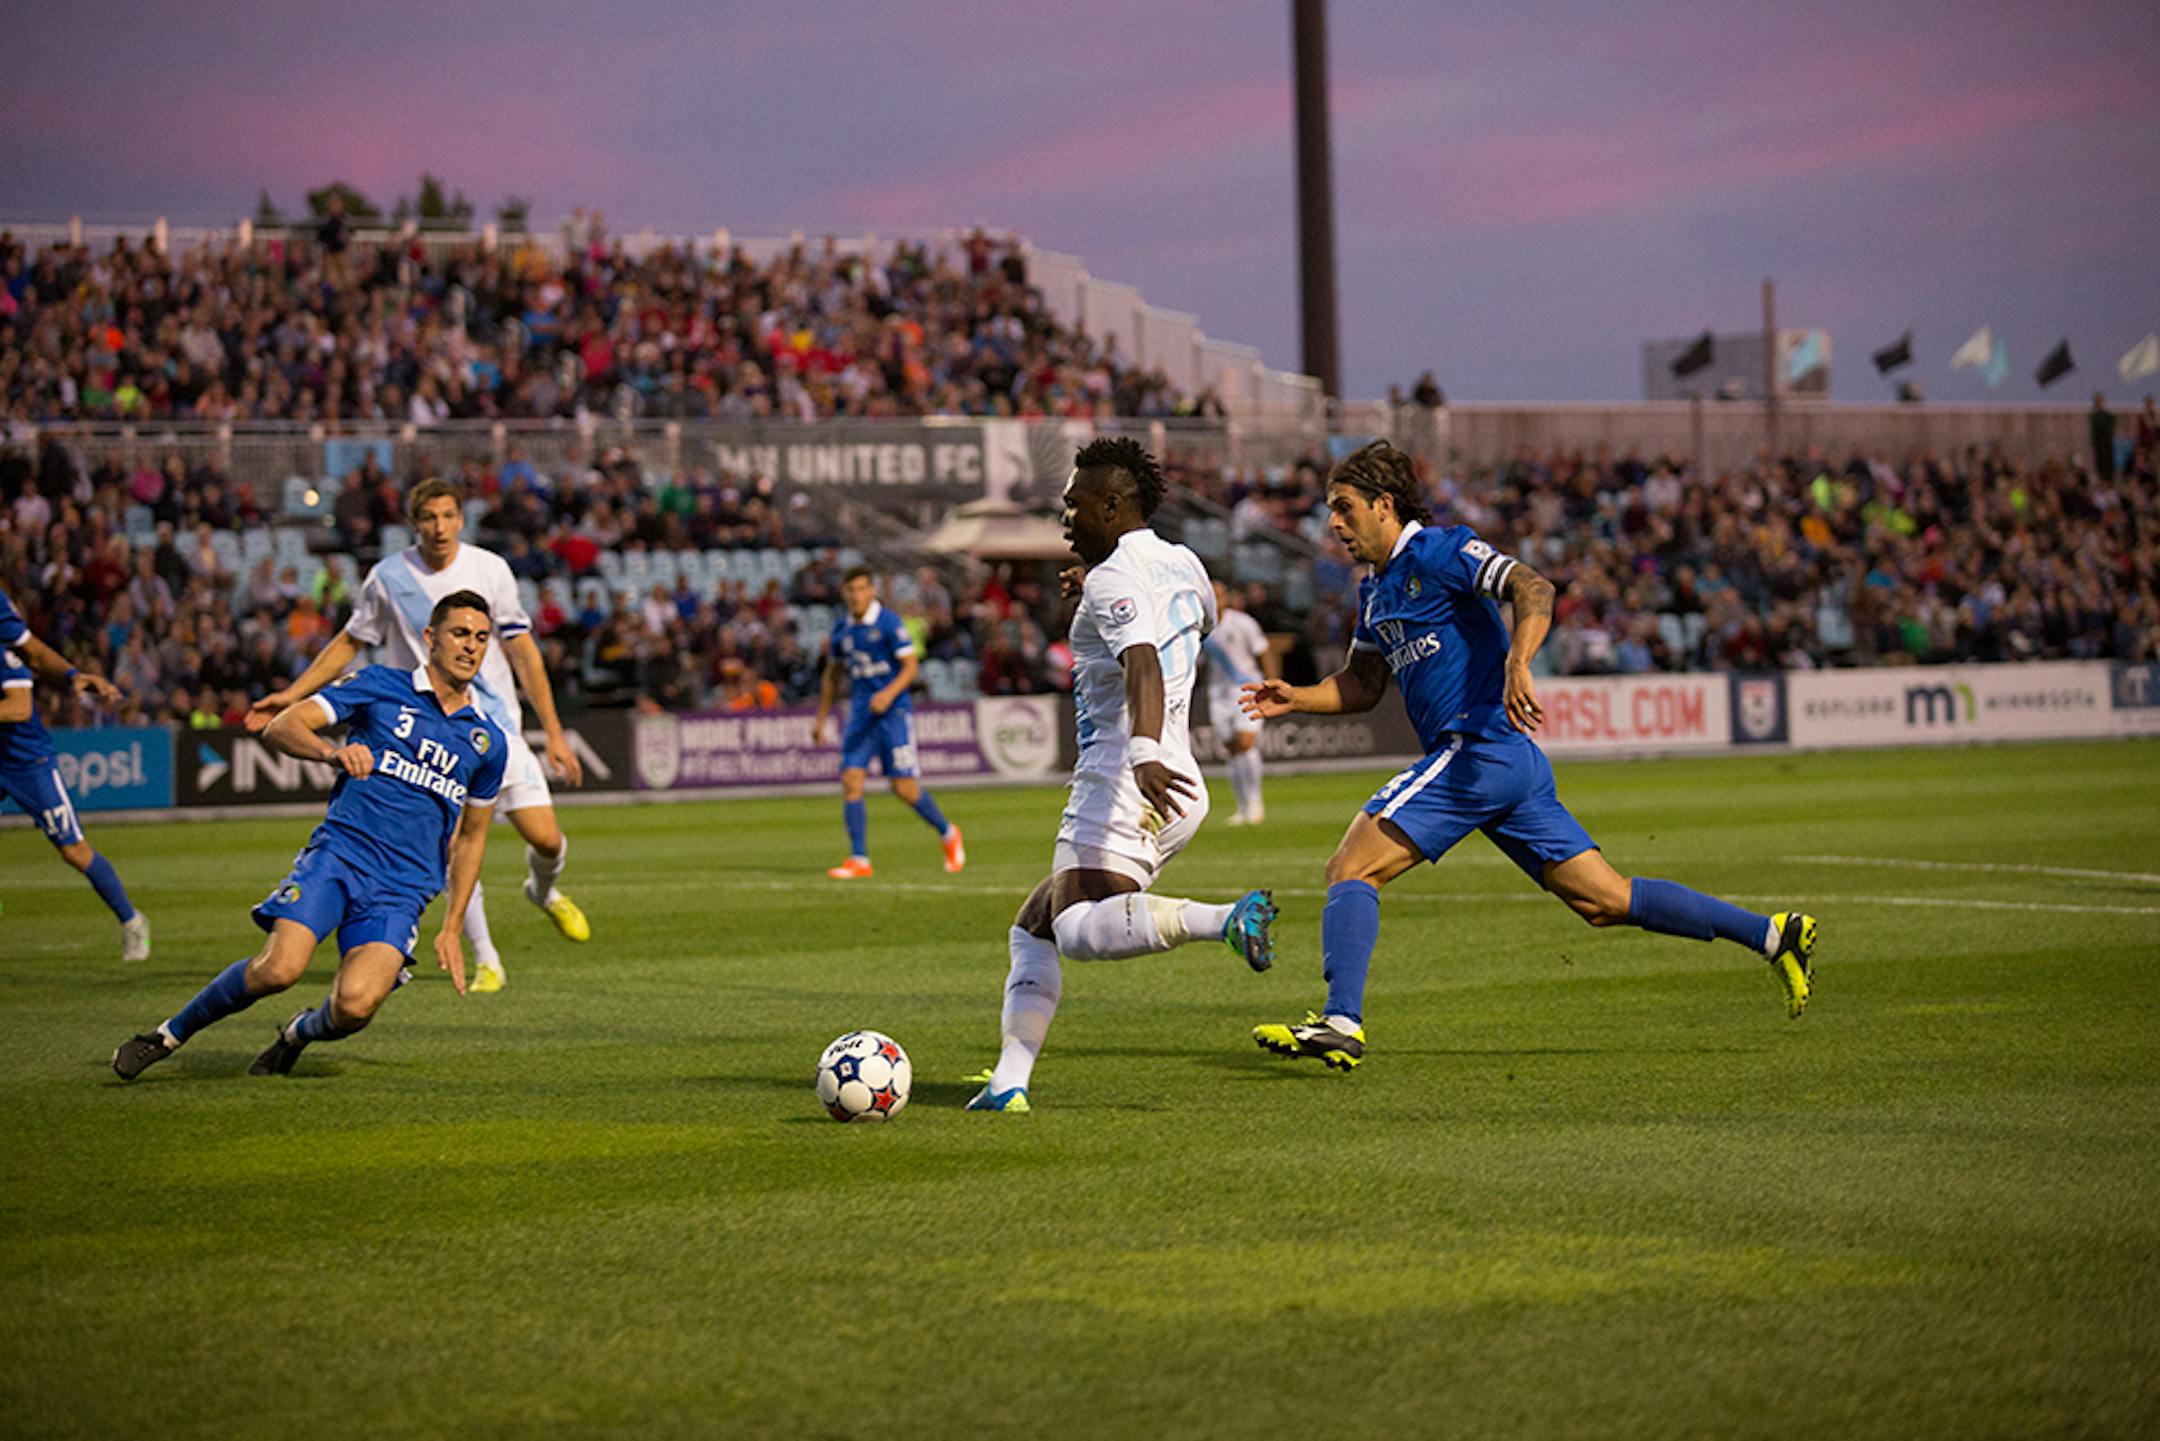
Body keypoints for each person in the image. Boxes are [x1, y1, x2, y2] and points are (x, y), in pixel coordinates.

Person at [1241, 441, 1817, 1071]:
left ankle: (1341, 1022)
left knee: (1350, 868)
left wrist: (1518, 661)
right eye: (1331, 510)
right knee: (1606, 901)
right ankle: (1771, 934)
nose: (1334, 523)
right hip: (1504, 765)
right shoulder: (1375, 592)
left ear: (1384, 505)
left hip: (1477, 751)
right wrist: (1296, 696)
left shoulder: (1441, 550)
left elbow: (1532, 587)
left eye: (1345, 508)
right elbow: (1362, 685)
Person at [967, 438, 1278, 1114]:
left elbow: (1141, 657)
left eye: (1075, 504)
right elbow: (1194, 627)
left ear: (1111, 503)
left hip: (1124, 778)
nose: (1066, 518)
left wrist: (1140, 752)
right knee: (1036, 924)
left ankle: (1224, 917)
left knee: (1074, 927)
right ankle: (1007, 1081)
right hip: (1180, 780)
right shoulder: (1185, 563)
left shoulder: (1111, 580)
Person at [111, 591, 506, 1081]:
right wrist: (329, 754)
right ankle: (167, 1034)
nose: (471, 646)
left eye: (482, 637)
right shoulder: (380, 684)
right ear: (430, 638)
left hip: (402, 891)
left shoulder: (488, 740)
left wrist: (451, 927)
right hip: (340, 857)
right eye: (460, 633)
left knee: (356, 1006)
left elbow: (471, 839)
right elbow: (283, 726)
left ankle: (297, 1034)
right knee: (279, 969)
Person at [248, 478, 587, 994]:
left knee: (545, 837)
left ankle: (543, 891)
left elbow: (522, 650)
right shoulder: (387, 576)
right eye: (429, 517)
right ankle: (487, 958)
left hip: (495, 731)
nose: (440, 527)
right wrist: (293, 693)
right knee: (453, 842)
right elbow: (350, 642)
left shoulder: (490, 569)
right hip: (421, 732)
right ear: (413, 523)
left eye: (449, 515)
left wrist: (554, 731)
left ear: (460, 519)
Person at [0, 587, 150, 961]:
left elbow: (18, 707)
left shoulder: (5, 652)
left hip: (26, 761)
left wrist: (72, 676)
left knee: (73, 850)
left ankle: (132, 921)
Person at [811, 566, 964, 879]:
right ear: (845, 593)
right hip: (860, 715)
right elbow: (833, 675)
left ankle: (948, 832)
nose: (856, 596)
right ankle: (859, 859)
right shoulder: (842, 630)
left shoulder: (889, 623)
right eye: (850, 590)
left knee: (904, 788)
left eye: (861, 589)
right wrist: (821, 717)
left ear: (872, 591)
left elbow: (909, 667)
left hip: (893, 715)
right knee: (851, 780)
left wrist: (888, 693)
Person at [1202, 577, 1276, 825]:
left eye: (1220, 595)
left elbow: (1263, 651)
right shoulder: (1201, 628)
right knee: (1231, 748)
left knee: (1246, 742)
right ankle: (1242, 806)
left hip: (1246, 687)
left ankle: (1255, 802)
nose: (1216, 600)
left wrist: (1272, 684)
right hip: (1218, 692)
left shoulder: (1243, 623)